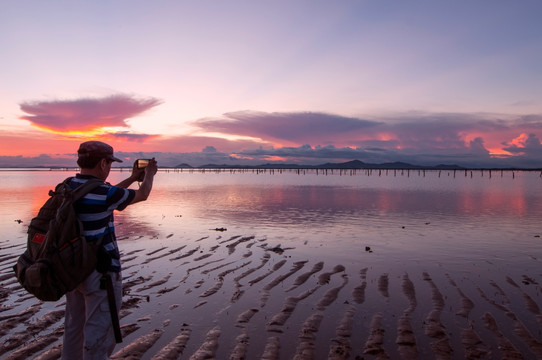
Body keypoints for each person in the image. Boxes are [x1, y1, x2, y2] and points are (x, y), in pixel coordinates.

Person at [61, 141, 157, 360]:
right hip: (100, 273)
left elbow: (112, 193)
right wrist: (149, 174)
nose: (110, 167)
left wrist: (133, 177)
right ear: (103, 163)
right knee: (98, 333)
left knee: (74, 328)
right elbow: (142, 195)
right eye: (110, 163)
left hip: (72, 269)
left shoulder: (67, 186)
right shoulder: (104, 193)